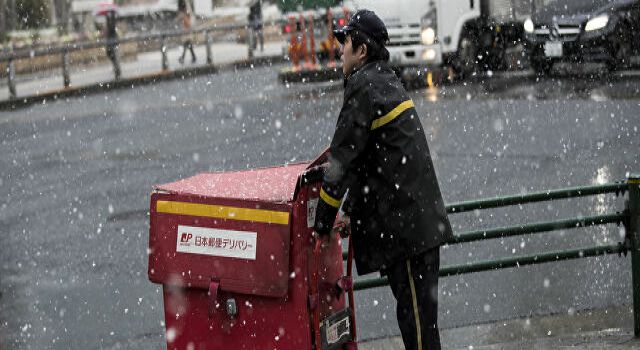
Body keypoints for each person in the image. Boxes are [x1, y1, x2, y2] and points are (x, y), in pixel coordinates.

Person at [312, 9, 454, 350]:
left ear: (361, 50)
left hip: (407, 233)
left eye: (345, 42)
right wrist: (350, 209)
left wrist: (321, 224)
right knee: (418, 324)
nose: (341, 50)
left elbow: (341, 163)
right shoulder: (384, 80)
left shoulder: (364, 86)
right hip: (417, 227)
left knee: (418, 330)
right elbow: (371, 162)